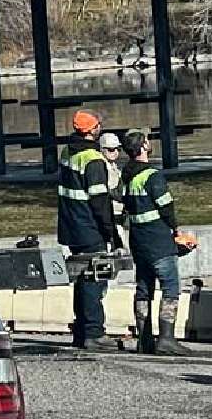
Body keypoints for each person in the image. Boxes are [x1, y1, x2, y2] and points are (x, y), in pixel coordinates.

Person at [120, 129, 191, 356]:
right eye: (147, 141)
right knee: (170, 287)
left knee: (144, 288)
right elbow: (166, 206)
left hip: (139, 242)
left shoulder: (127, 174)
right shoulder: (152, 176)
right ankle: (166, 339)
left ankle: (144, 339)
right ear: (142, 148)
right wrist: (176, 228)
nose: (149, 144)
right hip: (158, 240)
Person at [57, 109, 123, 350]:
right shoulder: (93, 159)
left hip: (70, 226)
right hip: (89, 228)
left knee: (82, 279)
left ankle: (82, 329)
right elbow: (100, 202)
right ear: (94, 130)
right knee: (94, 278)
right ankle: (94, 331)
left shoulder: (67, 152)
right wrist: (111, 234)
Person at [99, 132, 127, 248]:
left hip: (118, 216)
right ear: (102, 149)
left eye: (118, 149)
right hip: (111, 217)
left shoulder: (113, 165)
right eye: (111, 149)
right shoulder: (101, 166)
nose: (115, 152)